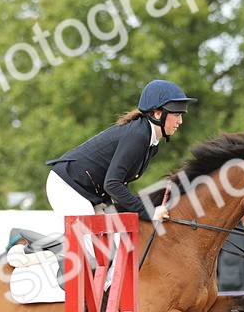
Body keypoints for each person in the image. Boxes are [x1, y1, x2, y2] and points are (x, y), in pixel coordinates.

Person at [44, 79, 195, 222]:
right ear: (158, 113)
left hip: (90, 192)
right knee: (88, 237)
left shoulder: (151, 143)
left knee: (115, 234)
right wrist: (149, 212)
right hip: (67, 186)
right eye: (177, 115)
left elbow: (119, 181)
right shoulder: (138, 135)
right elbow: (112, 183)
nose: (180, 121)